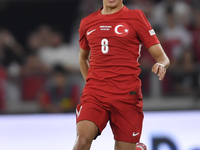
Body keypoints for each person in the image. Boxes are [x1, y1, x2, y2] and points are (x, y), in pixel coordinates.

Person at [73, 0, 170, 150]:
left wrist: (161, 65)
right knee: (82, 141)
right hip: (95, 94)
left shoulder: (135, 17)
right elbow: (82, 57)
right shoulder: (87, 22)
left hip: (126, 95)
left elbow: (162, 57)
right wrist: (91, 83)